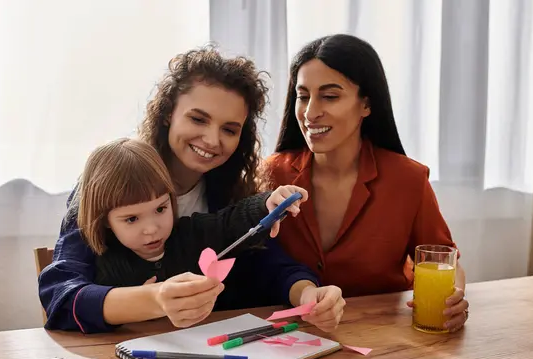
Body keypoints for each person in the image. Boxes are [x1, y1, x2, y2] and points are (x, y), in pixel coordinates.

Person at [39, 46, 345, 334]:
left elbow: (270, 267)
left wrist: (309, 295)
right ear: (167, 114)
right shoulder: (110, 181)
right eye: (198, 119)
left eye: (229, 129)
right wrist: (155, 298)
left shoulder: (229, 191)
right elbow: (60, 296)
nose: (212, 140)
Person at [264, 34, 469, 332]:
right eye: (303, 96)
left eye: (330, 96)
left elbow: (444, 259)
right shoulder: (271, 176)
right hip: (290, 336)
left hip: (384, 338)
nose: (310, 113)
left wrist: (456, 298)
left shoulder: (408, 179)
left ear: (366, 105)